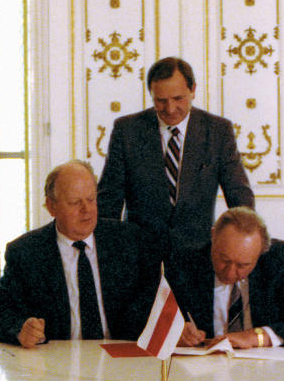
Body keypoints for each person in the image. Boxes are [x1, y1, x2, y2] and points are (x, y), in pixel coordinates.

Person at [97, 57, 253, 257]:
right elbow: (109, 200)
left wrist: (243, 244)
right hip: (139, 254)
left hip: (199, 254)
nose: (170, 109)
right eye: (161, 101)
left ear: (193, 90)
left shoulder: (217, 131)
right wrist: (106, 253)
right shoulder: (127, 131)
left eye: (178, 99)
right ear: (151, 94)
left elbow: (239, 194)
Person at [0, 160, 158, 348]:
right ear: (51, 206)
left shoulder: (130, 242)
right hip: (56, 363)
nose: (86, 210)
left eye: (91, 199)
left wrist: (175, 329)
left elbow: (154, 306)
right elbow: (2, 319)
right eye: (75, 202)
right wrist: (21, 329)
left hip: (121, 359)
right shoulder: (25, 253)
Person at [169, 207, 284, 348]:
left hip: (265, 368)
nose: (230, 273)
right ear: (213, 237)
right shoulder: (185, 263)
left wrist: (256, 336)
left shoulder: (277, 261)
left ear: (261, 252)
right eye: (224, 260)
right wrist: (174, 334)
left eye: (242, 266)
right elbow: (149, 321)